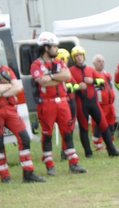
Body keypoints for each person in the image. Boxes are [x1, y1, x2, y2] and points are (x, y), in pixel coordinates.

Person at [0, 36, 42, 183]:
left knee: (24, 137)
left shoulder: (6, 69)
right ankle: (5, 177)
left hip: (10, 110)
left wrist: (2, 91)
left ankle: (28, 174)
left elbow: (18, 87)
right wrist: (8, 87)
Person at [32, 35, 84, 174]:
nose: (57, 49)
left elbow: (67, 76)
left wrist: (52, 76)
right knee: (47, 133)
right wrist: (57, 78)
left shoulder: (59, 62)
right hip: (46, 104)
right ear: (46, 47)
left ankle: (73, 163)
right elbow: (42, 81)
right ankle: (49, 164)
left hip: (62, 101)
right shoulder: (36, 64)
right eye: (54, 46)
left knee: (67, 131)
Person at [69, 46, 119, 155]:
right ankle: (88, 153)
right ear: (74, 58)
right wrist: (78, 87)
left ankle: (112, 150)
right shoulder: (71, 71)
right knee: (84, 128)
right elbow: (67, 88)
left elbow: (102, 83)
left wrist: (92, 81)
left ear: (84, 56)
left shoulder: (90, 69)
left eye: (80, 55)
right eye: (76, 56)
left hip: (93, 103)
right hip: (81, 104)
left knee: (104, 125)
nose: (79, 58)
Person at [91, 55, 119, 149]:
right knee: (99, 124)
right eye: (99, 61)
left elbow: (110, 87)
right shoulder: (92, 74)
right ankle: (98, 144)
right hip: (99, 104)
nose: (101, 63)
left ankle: (110, 143)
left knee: (111, 123)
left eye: (103, 61)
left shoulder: (107, 74)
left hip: (110, 104)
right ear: (94, 63)